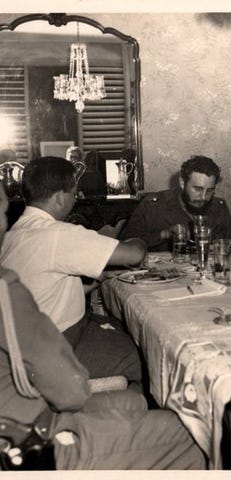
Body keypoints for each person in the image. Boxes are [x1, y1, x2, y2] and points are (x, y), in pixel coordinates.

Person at [0, 182, 206, 470]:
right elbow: (70, 391)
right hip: (31, 442)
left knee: (135, 401)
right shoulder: (7, 287)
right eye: (3, 210)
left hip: (17, 413)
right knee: (192, 431)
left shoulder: (13, 240)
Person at [0, 157, 146, 387]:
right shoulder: (58, 233)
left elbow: (42, 290)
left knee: (120, 328)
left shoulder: (12, 235)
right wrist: (139, 238)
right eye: (73, 193)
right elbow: (135, 255)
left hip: (17, 348)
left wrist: (96, 279)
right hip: (51, 349)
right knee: (143, 354)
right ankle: (126, 404)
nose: (75, 199)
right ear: (60, 197)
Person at [120, 155, 231, 251]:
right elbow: (126, 245)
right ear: (182, 183)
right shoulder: (152, 205)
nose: (203, 197)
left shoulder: (219, 207)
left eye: (209, 190)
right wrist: (164, 234)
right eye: (198, 189)